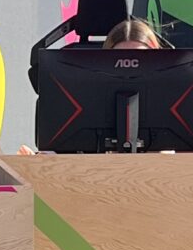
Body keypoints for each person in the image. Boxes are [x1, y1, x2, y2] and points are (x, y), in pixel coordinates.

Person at [16, 18, 164, 154]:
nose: (129, 74)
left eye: (141, 62)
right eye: (119, 63)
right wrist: (38, 162)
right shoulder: (78, 103)